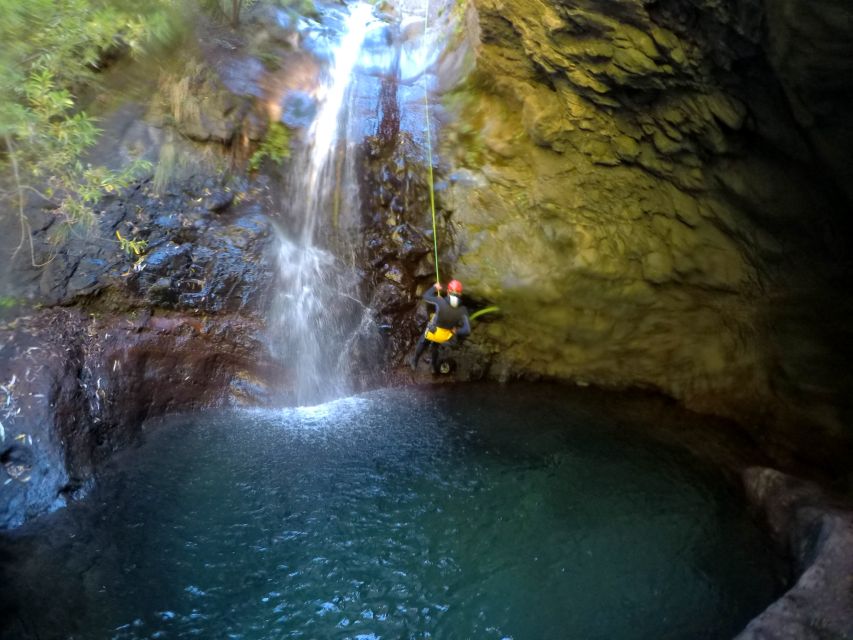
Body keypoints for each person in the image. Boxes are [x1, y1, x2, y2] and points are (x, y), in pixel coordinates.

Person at [411, 279, 471, 373]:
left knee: (423, 341)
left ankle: (414, 361)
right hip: (444, 337)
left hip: (433, 332)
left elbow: (426, 296)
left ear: (448, 292)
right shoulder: (463, 310)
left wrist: (434, 288)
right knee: (435, 345)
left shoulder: (440, 301)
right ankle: (433, 367)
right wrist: (456, 331)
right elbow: (467, 330)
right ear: (460, 294)